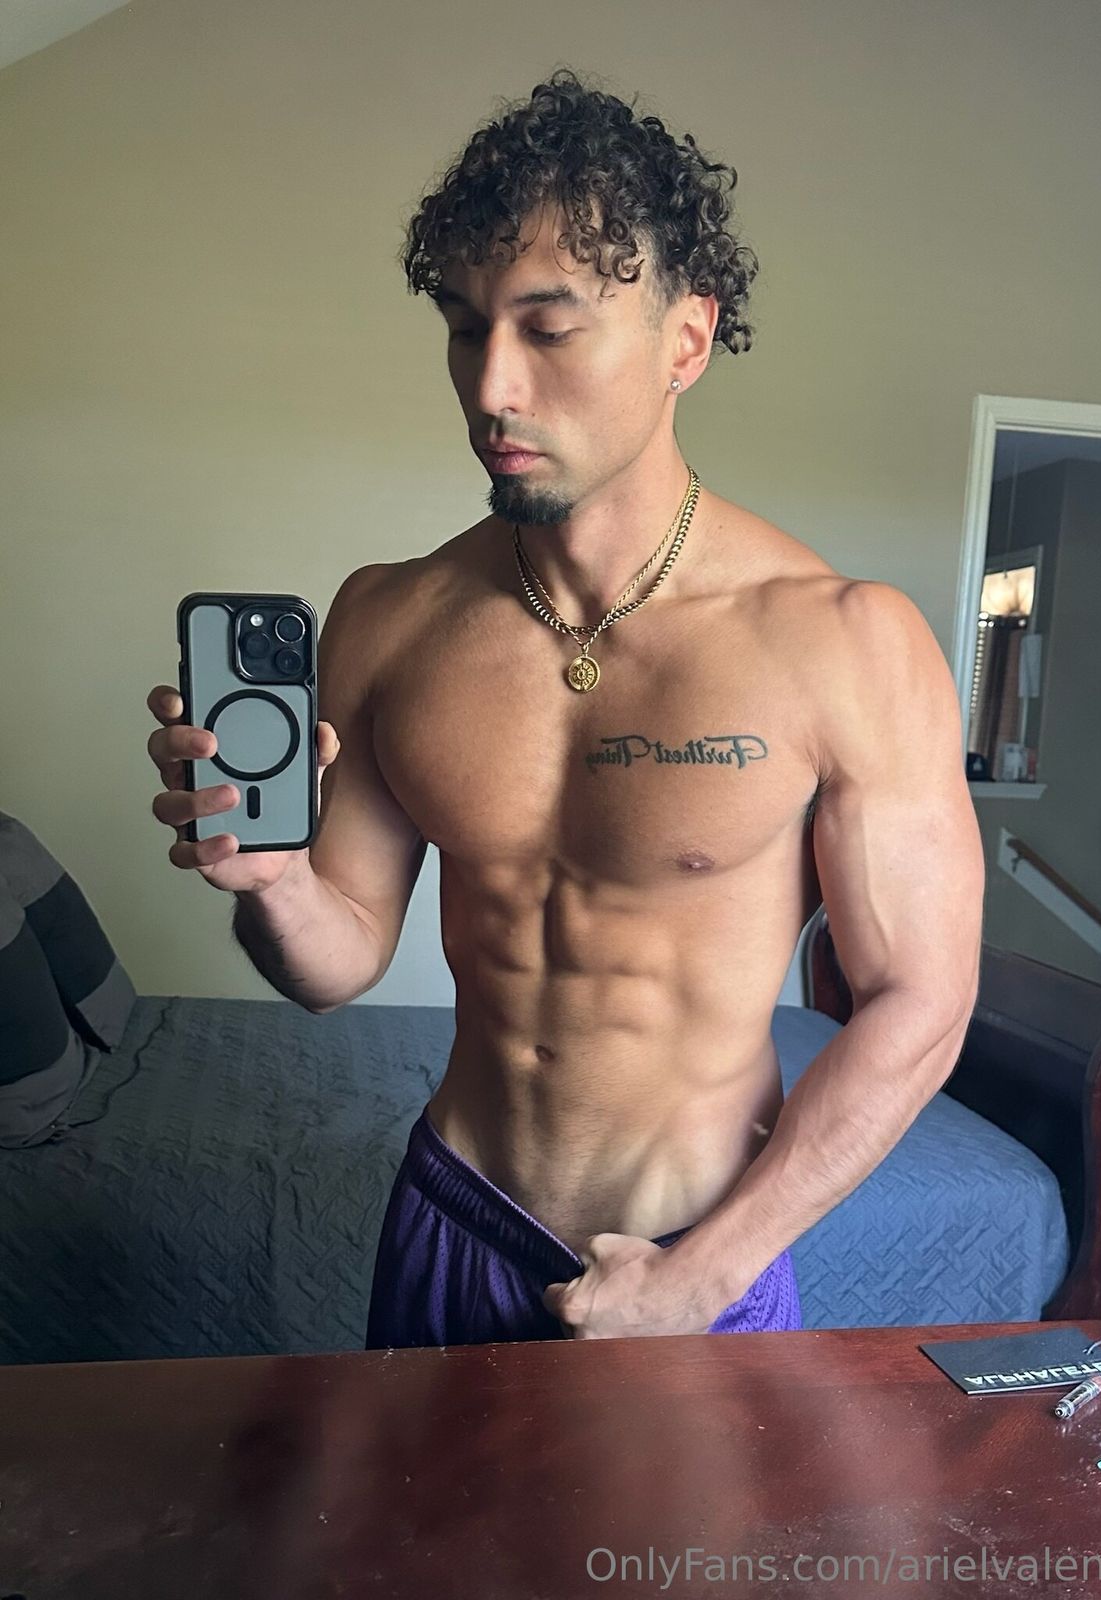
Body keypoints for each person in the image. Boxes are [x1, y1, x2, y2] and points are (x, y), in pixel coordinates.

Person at [146, 68, 984, 1346]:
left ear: (685, 342)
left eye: (547, 330)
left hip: (696, 1260)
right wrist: (269, 881)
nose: (490, 387)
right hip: (456, 1213)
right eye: (463, 327)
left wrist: (704, 1275)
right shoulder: (391, 617)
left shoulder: (844, 641)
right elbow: (337, 962)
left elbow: (921, 1001)